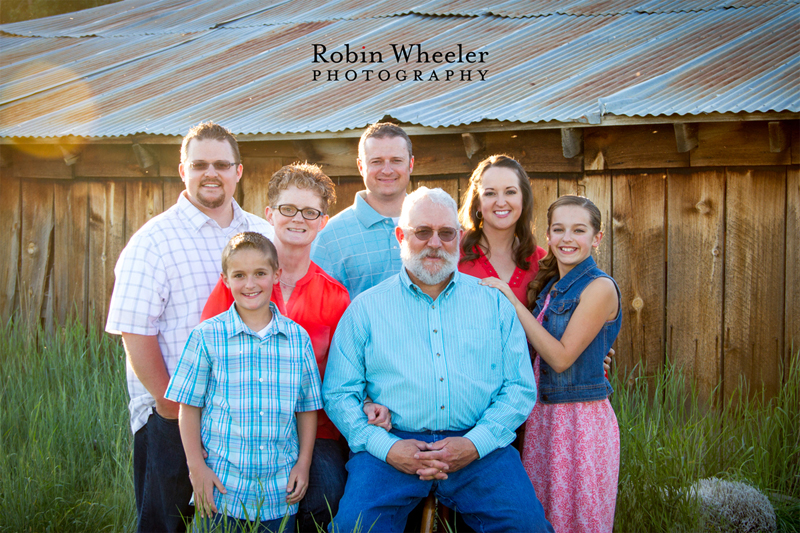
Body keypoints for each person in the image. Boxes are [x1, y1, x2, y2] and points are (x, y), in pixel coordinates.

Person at [323, 187, 554, 533]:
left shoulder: (493, 305)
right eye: (422, 232)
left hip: (478, 447)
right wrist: (386, 449)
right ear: (401, 236)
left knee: (528, 527)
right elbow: (340, 394)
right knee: (355, 528)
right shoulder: (366, 309)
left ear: (458, 238)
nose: (435, 243)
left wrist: (475, 444)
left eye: (446, 233)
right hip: (393, 446)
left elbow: (519, 389)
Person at [200, 163, 390, 531]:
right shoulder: (241, 284)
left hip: (314, 428)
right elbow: (206, 357)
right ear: (270, 214)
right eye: (288, 209)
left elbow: (348, 369)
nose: (297, 219)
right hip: (243, 425)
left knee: (325, 495)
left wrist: (367, 401)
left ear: (323, 221)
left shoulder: (335, 296)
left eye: (310, 212)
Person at [105, 122, 274, 533]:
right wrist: (169, 405)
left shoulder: (263, 233)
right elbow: (135, 331)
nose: (210, 173)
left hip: (249, 414)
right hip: (173, 413)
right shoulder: (154, 241)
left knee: (247, 523)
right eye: (200, 164)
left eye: (221, 164)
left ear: (238, 170)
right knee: (166, 524)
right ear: (183, 171)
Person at [481, 195, 622, 532]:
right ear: (548, 236)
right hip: (545, 417)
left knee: (578, 520)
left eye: (579, 230)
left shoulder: (599, 287)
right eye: (558, 229)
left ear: (597, 237)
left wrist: (513, 302)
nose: (567, 239)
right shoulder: (553, 288)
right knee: (545, 518)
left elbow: (559, 358)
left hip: (580, 422)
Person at [165, 232, 322, 532]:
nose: (250, 284)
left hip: (279, 492)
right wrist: (196, 468)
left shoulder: (297, 339)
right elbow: (189, 407)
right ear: (225, 279)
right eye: (239, 275)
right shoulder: (207, 337)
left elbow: (306, 408)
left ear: (276, 275)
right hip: (222, 490)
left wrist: (303, 463)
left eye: (260, 273)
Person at [310, 122, 413, 299]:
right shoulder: (330, 237)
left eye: (396, 160)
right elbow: (319, 311)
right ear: (360, 166)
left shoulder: (435, 229)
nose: (387, 170)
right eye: (376, 162)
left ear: (410, 164)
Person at [458, 154, 547, 307]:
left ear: (523, 199)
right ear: (478, 203)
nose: (500, 202)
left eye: (510, 192)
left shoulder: (541, 261)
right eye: (490, 193)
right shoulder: (453, 251)